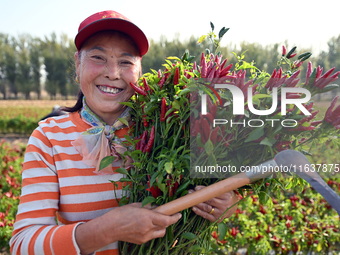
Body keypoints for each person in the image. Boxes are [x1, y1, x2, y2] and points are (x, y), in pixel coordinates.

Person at [10, 10, 238, 255]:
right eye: (98, 57)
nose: (113, 73)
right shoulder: (49, 137)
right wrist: (107, 230)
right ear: (77, 63)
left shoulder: (169, 129)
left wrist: (225, 204)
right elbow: (24, 244)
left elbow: (213, 196)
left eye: (126, 62)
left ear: (139, 72)